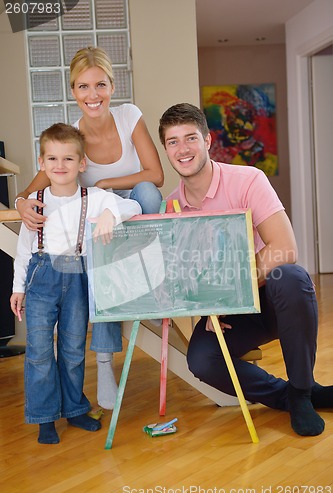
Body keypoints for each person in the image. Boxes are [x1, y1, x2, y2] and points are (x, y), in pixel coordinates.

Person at [158, 102, 333, 437]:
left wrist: (226, 290)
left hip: (269, 296)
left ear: (208, 140)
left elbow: (285, 247)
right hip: (230, 312)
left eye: (190, 138)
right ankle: (297, 395)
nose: (183, 149)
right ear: (165, 149)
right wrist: (206, 303)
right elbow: (186, 275)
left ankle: (301, 391)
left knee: (291, 277)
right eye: (173, 141)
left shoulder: (248, 179)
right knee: (202, 361)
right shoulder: (170, 207)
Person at [14, 46, 164, 413]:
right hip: (105, 235)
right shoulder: (72, 138)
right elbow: (38, 184)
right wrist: (20, 201)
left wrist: (107, 185)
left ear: (112, 86)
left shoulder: (129, 116)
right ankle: (105, 365)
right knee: (101, 270)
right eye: (83, 87)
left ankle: (151, 282)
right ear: (73, 91)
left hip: (132, 213)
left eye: (100, 85)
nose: (92, 95)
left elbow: (155, 176)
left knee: (145, 191)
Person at [10, 123, 142, 444]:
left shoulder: (95, 198)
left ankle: (74, 408)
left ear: (81, 164)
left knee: (72, 349)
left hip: (77, 278)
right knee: (40, 351)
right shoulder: (35, 202)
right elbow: (24, 249)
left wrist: (111, 214)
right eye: (52, 159)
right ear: (41, 163)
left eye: (68, 159)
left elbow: (135, 205)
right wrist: (18, 288)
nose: (60, 166)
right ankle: (45, 417)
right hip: (41, 278)